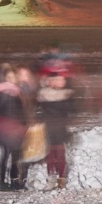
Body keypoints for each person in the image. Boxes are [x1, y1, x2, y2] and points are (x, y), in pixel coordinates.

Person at [0, 64, 29, 191]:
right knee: (6, 154)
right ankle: (2, 182)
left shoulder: (17, 92)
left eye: (13, 77)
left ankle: (13, 181)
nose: (11, 79)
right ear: (5, 77)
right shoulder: (1, 92)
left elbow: (20, 111)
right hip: (5, 128)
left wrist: (23, 124)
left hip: (15, 128)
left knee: (14, 155)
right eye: (9, 77)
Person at [36, 51, 75, 186]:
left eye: (61, 80)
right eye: (57, 80)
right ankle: (54, 179)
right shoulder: (46, 95)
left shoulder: (64, 95)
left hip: (57, 129)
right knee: (52, 154)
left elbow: (71, 111)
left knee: (58, 154)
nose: (61, 82)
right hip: (51, 128)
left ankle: (59, 179)